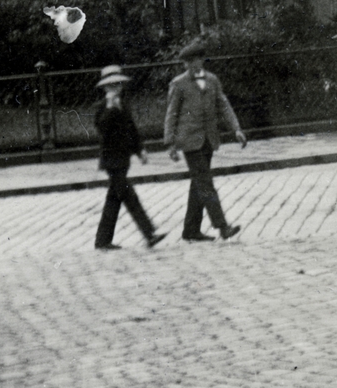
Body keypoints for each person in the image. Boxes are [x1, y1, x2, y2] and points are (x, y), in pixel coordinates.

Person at [164, 40, 247, 242]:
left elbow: (224, 105)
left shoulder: (212, 80)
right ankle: (222, 227)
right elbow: (171, 113)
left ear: (201, 60)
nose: (190, 65)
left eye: (194, 61)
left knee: (198, 185)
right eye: (187, 62)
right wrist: (170, 143)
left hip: (209, 139)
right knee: (205, 184)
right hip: (189, 141)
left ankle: (190, 230)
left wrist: (236, 129)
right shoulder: (178, 84)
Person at [93, 66, 167, 252]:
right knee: (129, 196)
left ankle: (102, 240)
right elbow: (102, 129)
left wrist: (140, 150)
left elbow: (131, 130)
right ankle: (149, 234)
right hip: (111, 161)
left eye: (118, 84)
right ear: (104, 88)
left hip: (123, 159)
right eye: (111, 85)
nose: (115, 88)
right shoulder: (102, 107)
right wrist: (110, 108)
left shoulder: (124, 104)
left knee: (114, 199)